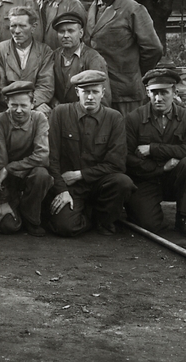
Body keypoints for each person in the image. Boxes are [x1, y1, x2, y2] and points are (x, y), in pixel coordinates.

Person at [47, 69, 133, 237]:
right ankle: (90, 216)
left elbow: (116, 164)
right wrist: (61, 190)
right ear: (77, 92)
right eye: (86, 92)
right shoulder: (60, 113)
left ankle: (103, 220)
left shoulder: (114, 118)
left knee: (123, 182)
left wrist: (80, 174)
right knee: (65, 227)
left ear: (103, 93)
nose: (90, 97)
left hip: (99, 184)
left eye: (95, 92)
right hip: (70, 187)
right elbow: (52, 158)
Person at [125, 66, 186, 237]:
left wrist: (153, 149)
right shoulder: (134, 118)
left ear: (174, 92)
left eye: (164, 92)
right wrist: (161, 168)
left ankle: (183, 219)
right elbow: (127, 157)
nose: (158, 98)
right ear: (147, 92)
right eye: (154, 93)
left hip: (174, 180)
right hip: (146, 180)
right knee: (148, 225)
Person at [85, 0, 164, 113]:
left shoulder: (133, 9)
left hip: (125, 91)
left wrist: (135, 72)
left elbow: (153, 49)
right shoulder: (91, 9)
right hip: (98, 89)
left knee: (127, 127)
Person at [0, 80, 52, 236]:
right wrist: (2, 201)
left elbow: (42, 156)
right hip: (6, 181)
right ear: (7, 103)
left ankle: (31, 219)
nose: (18, 110)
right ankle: (12, 206)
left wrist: (9, 168)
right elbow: (0, 162)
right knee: (8, 227)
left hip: (28, 174)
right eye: (14, 105)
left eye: (23, 105)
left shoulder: (39, 118)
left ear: (32, 103)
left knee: (41, 174)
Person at [0, 5, 55, 115]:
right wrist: (17, 105)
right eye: (13, 26)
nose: (17, 31)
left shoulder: (45, 51)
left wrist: (30, 104)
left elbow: (46, 86)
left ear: (33, 27)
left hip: (35, 106)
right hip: (7, 107)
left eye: (22, 26)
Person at [50, 12, 112, 107]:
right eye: (61, 31)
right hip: (58, 112)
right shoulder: (53, 56)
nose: (65, 35)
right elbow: (47, 86)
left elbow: (103, 99)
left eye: (71, 31)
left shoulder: (93, 58)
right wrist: (53, 101)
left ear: (81, 33)